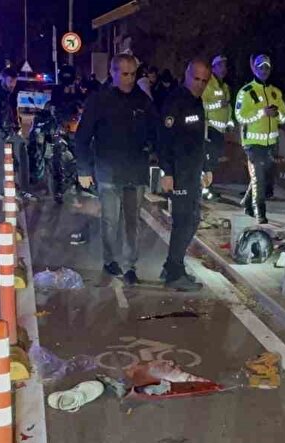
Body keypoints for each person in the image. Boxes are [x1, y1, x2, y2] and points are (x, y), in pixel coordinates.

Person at [74, 54, 156, 284]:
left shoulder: (143, 101)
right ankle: (110, 260)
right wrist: (83, 169)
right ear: (113, 73)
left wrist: (154, 151)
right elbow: (82, 137)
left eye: (133, 74)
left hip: (135, 172)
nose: (129, 79)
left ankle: (130, 266)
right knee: (110, 221)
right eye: (125, 74)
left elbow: (155, 131)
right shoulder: (99, 101)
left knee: (132, 222)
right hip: (108, 172)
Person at [158, 59, 214, 292]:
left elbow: (198, 140)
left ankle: (172, 266)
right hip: (179, 172)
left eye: (204, 80)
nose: (200, 84)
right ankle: (174, 273)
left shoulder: (197, 102)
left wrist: (205, 167)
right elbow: (164, 139)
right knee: (184, 222)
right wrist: (167, 172)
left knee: (192, 219)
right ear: (187, 75)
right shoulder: (175, 101)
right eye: (196, 78)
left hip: (192, 171)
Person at [234, 54, 285, 224]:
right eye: (261, 67)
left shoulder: (275, 92)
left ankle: (247, 203)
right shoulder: (246, 92)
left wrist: (277, 114)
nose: (264, 70)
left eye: (266, 67)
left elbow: (284, 117)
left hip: (271, 143)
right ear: (254, 69)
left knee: (262, 176)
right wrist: (261, 113)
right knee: (259, 177)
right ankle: (260, 212)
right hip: (252, 143)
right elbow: (240, 116)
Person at [0, 67, 33, 201]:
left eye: (14, 81)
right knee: (4, 160)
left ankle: (24, 190)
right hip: (2, 132)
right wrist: (1, 133)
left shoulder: (12, 93)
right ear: (3, 79)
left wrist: (17, 125)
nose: (13, 84)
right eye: (10, 81)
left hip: (13, 131)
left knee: (22, 156)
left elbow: (13, 111)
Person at [47, 64, 87, 203]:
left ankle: (79, 183)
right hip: (61, 128)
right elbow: (53, 109)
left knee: (79, 157)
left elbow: (83, 106)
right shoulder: (57, 90)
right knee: (57, 159)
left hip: (75, 129)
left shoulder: (77, 91)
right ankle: (59, 190)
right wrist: (59, 124)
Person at [201, 54, 232, 201]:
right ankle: (205, 189)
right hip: (209, 128)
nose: (224, 69)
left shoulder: (225, 87)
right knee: (208, 160)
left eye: (225, 66)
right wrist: (218, 105)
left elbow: (228, 106)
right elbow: (202, 106)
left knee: (214, 160)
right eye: (220, 66)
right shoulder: (207, 85)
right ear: (213, 68)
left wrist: (230, 121)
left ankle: (208, 186)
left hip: (220, 130)